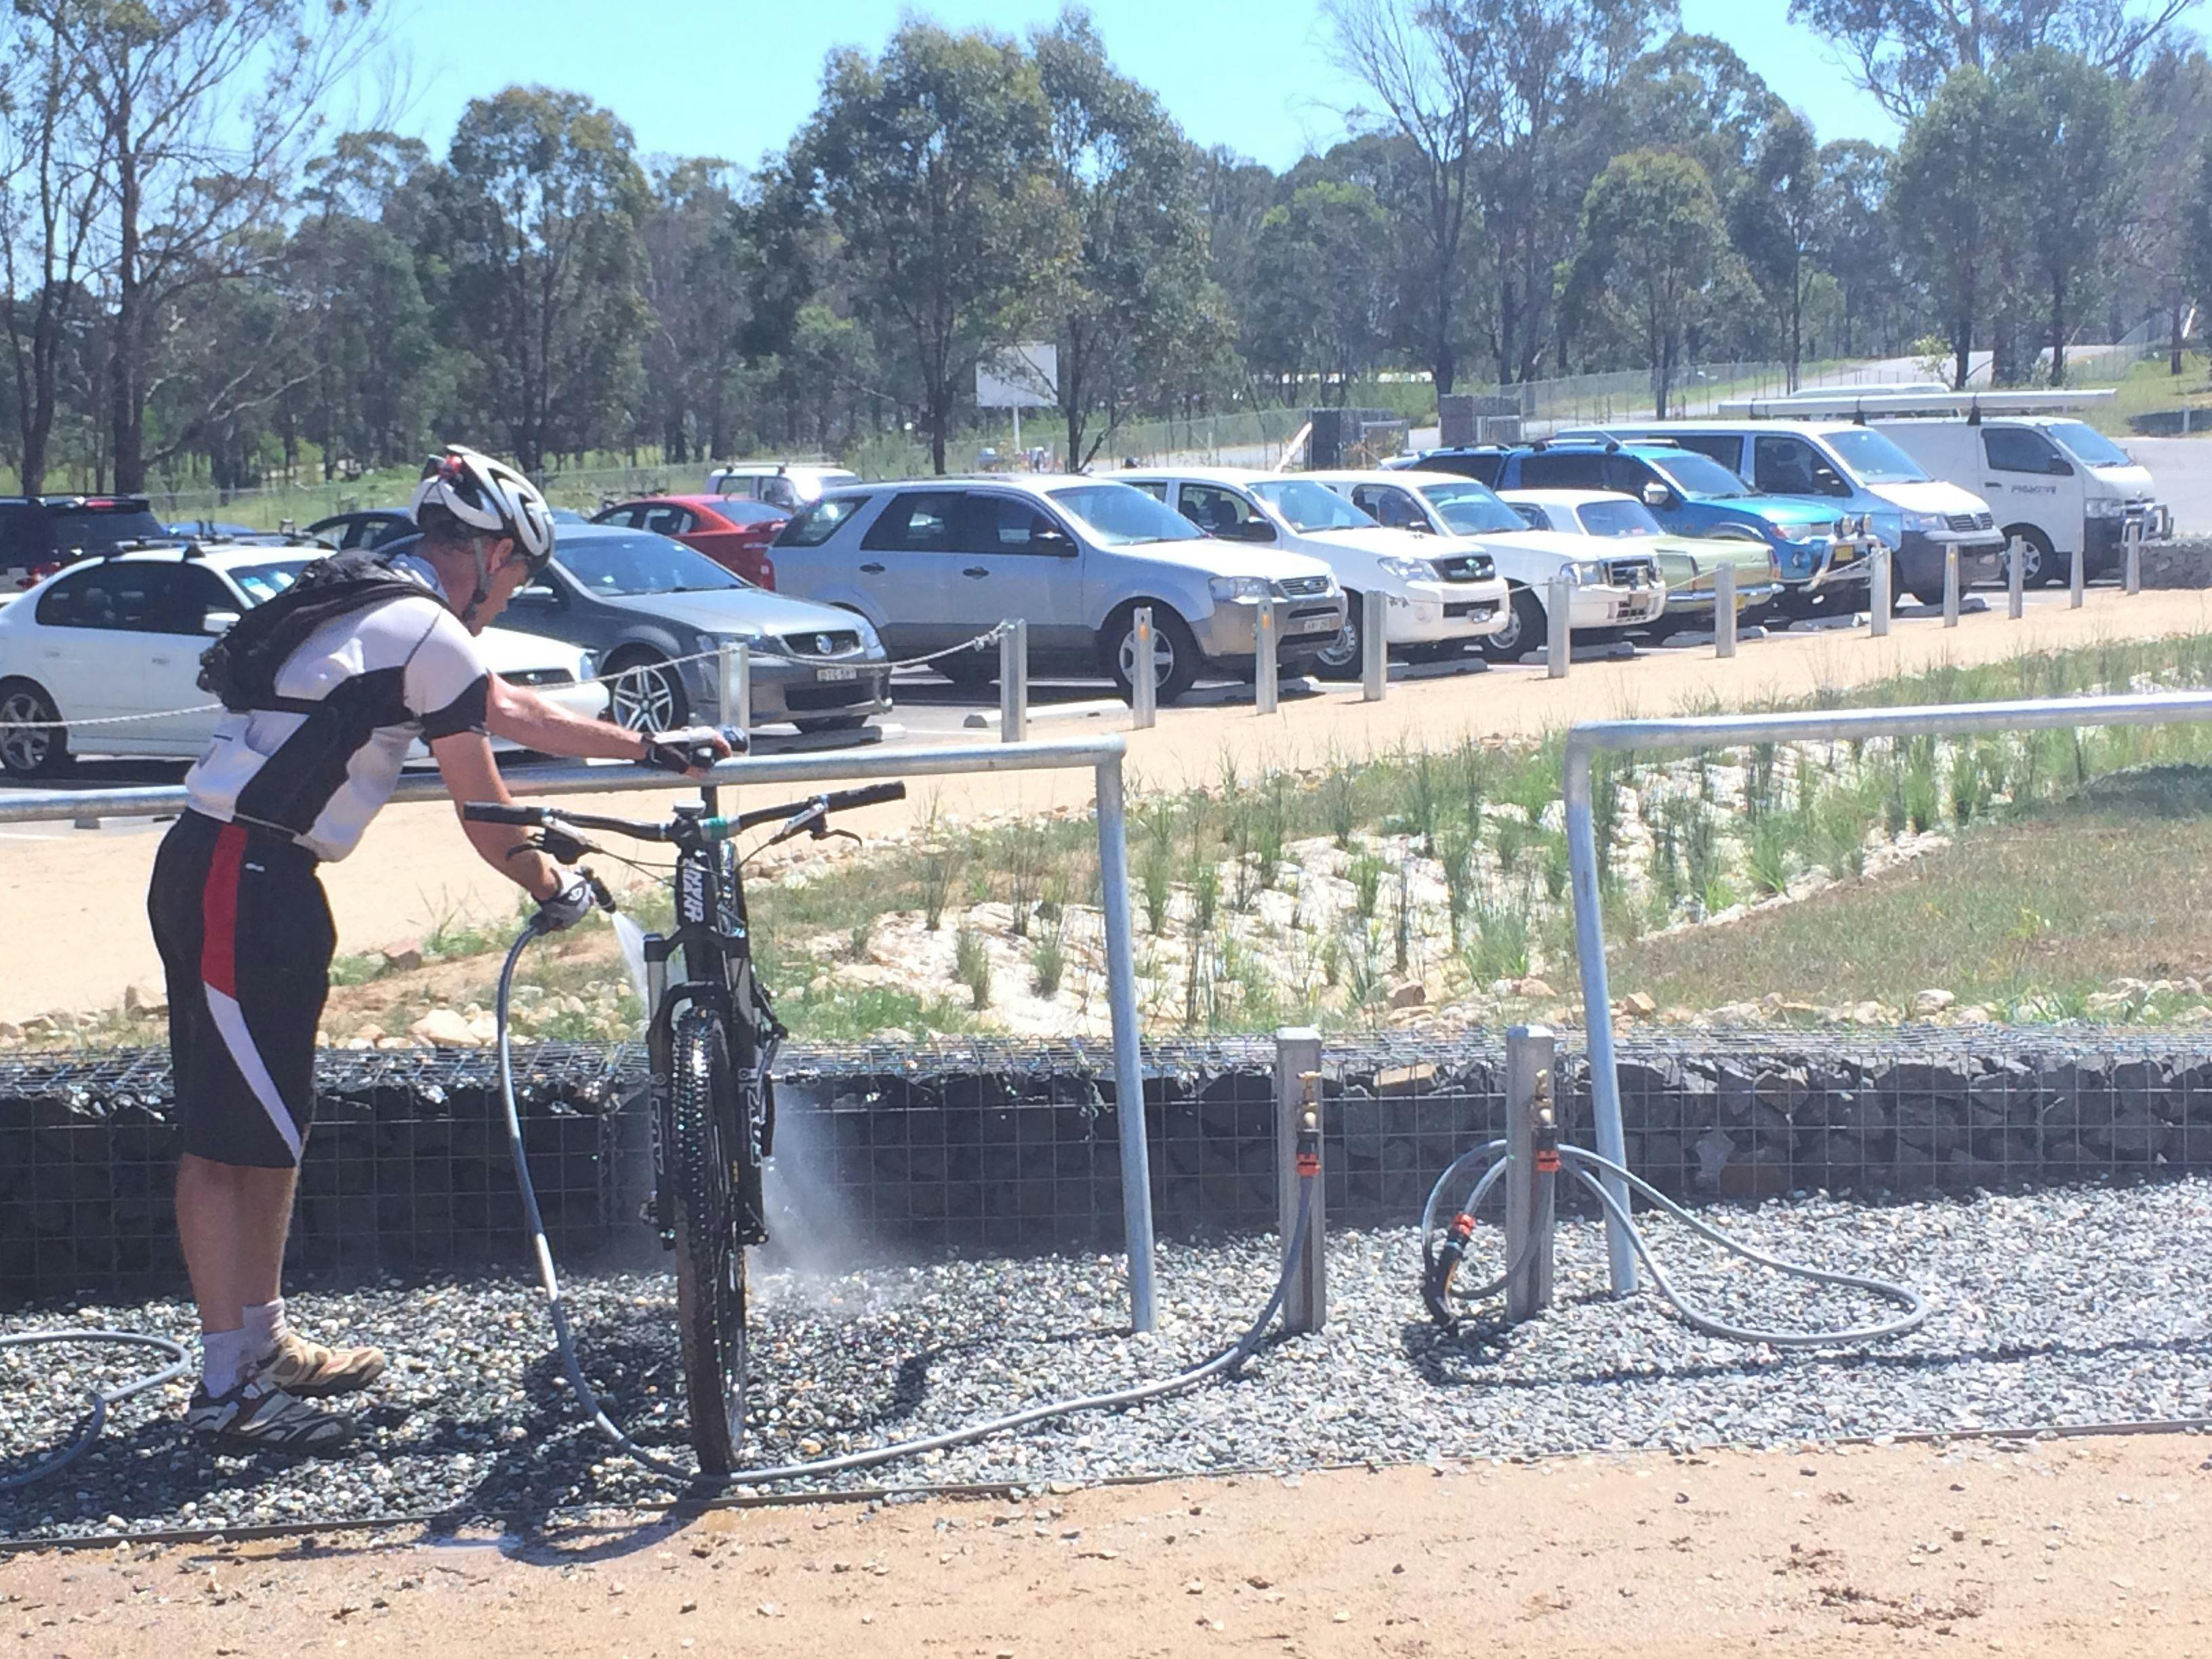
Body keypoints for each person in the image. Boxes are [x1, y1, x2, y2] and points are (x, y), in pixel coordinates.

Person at [147, 447, 731, 1454]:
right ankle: (223, 1390)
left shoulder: (385, 603)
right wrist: (557, 888)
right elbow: (488, 814)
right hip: (241, 879)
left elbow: (505, 710)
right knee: (222, 1137)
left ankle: (264, 1342)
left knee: (274, 1125)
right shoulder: (424, 627)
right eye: (520, 576)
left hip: (243, 876)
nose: (512, 597)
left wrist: (650, 748)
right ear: (496, 552)